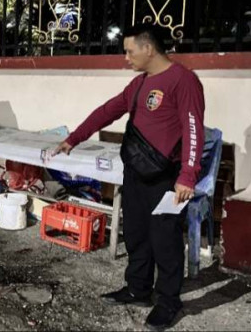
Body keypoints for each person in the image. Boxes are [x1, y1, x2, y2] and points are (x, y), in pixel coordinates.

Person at [51, 23, 205, 331]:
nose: (126, 57)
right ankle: (137, 289)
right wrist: (75, 137)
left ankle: (168, 301)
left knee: (165, 241)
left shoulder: (183, 80)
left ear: (148, 48)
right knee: (136, 234)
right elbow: (108, 110)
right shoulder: (138, 85)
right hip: (135, 173)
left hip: (167, 178)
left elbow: (193, 130)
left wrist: (188, 176)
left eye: (129, 50)